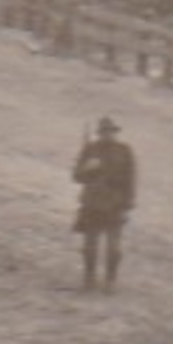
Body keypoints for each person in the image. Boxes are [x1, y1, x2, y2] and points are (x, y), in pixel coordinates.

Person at [71, 116, 136, 292]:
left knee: (114, 249)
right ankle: (89, 279)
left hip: (115, 206)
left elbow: (130, 181)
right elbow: (76, 176)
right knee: (89, 247)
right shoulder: (90, 149)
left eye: (111, 132)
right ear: (100, 133)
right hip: (92, 205)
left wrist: (127, 206)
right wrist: (87, 168)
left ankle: (110, 281)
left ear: (115, 132)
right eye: (104, 132)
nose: (107, 135)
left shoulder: (125, 151)